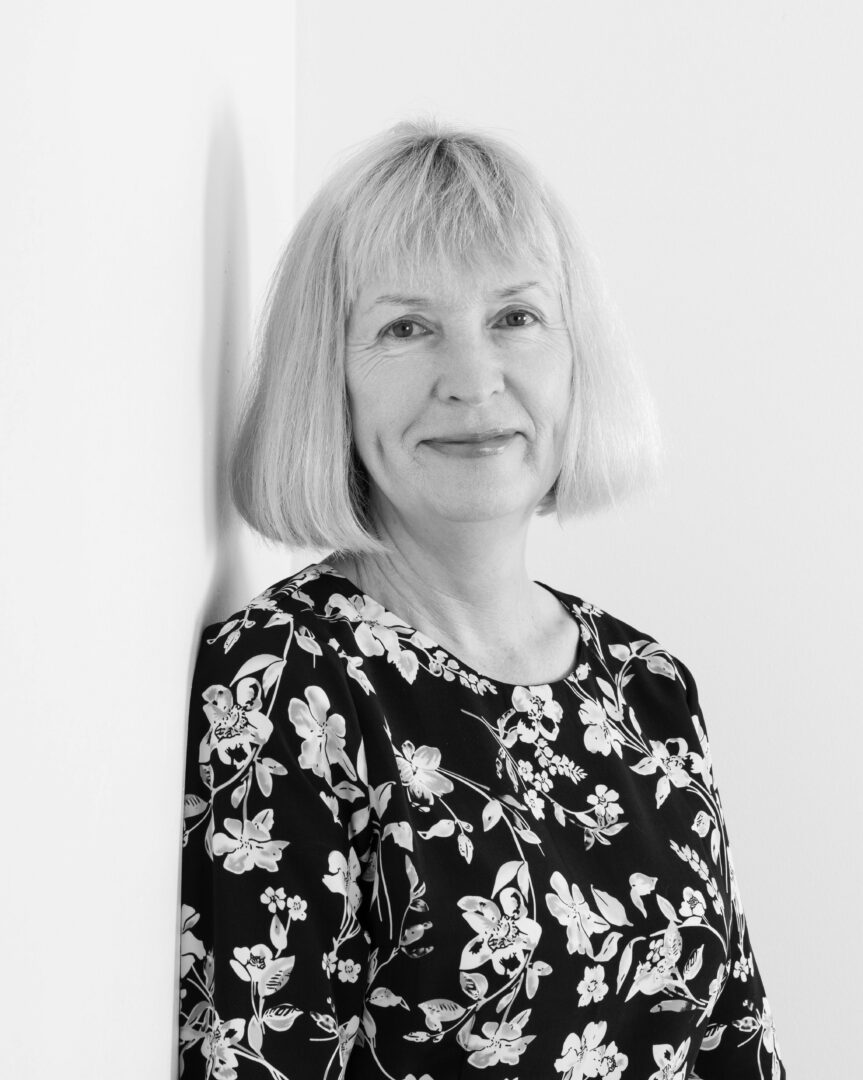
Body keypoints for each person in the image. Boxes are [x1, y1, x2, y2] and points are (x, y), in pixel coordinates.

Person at [177, 117, 787, 1080]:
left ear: (576, 353)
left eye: (514, 317)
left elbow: (736, 1047)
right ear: (327, 377)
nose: (470, 380)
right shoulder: (288, 683)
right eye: (405, 327)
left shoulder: (648, 685)